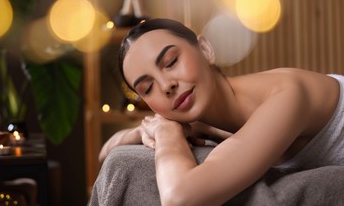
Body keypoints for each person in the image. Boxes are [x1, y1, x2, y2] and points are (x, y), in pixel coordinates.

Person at [98, 18, 344, 205]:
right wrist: (143, 130)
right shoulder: (204, 123)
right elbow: (106, 153)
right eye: (148, 88)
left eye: (171, 62)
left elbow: (180, 198)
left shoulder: (288, 95)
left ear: (205, 49)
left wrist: (166, 133)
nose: (166, 86)